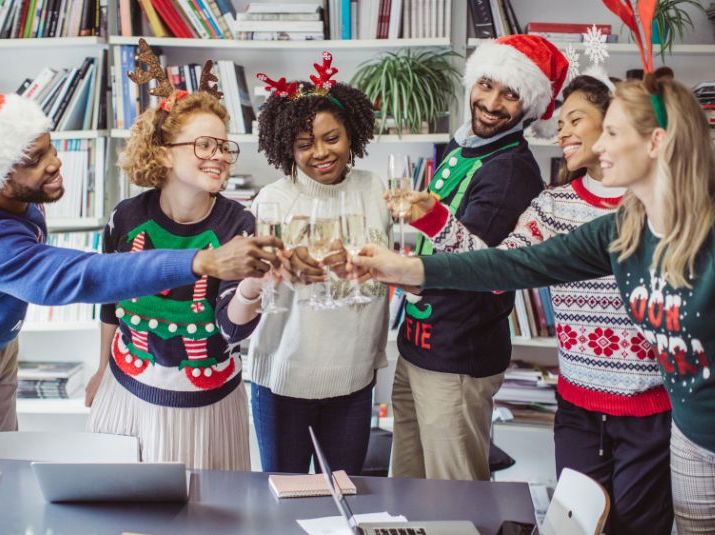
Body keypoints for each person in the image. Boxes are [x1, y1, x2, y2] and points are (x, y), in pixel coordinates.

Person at [354, 69, 715, 534]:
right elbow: (510, 266)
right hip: (637, 419)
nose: (596, 146)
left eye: (607, 130)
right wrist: (406, 268)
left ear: (655, 142)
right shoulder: (619, 229)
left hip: (668, 418)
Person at [0, 91, 280, 467]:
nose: (56, 162)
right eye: (35, 158)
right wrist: (202, 261)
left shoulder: (19, 195)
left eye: (50, 147)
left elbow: (234, 322)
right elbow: (86, 277)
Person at [387, 34, 568, 481]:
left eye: (511, 94)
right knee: (406, 489)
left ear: (529, 107)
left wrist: (405, 268)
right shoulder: (466, 144)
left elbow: (481, 265)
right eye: (486, 84)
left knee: (456, 497)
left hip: (458, 357)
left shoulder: (510, 171)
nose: (492, 102)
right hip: (419, 346)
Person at [83, 80, 269, 467]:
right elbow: (108, 302)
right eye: (204, 145)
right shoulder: (126, 217)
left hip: (207, 406)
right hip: (127, 391)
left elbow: (232, 331)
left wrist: (252, 288)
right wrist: (102, 368)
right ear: (164, 154)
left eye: (224, 146)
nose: (218, 156)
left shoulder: (239, 223)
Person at [247, 52, 390, 475]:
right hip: (283, 378)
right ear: (287, 148)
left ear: (352, 135)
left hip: (354, 375)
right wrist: (284, 266)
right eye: (304, 144)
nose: (321, 153)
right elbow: (254, 286)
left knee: (345, 500)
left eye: (332, 138)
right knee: (286, 502)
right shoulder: (274, 199)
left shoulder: (374, 189)